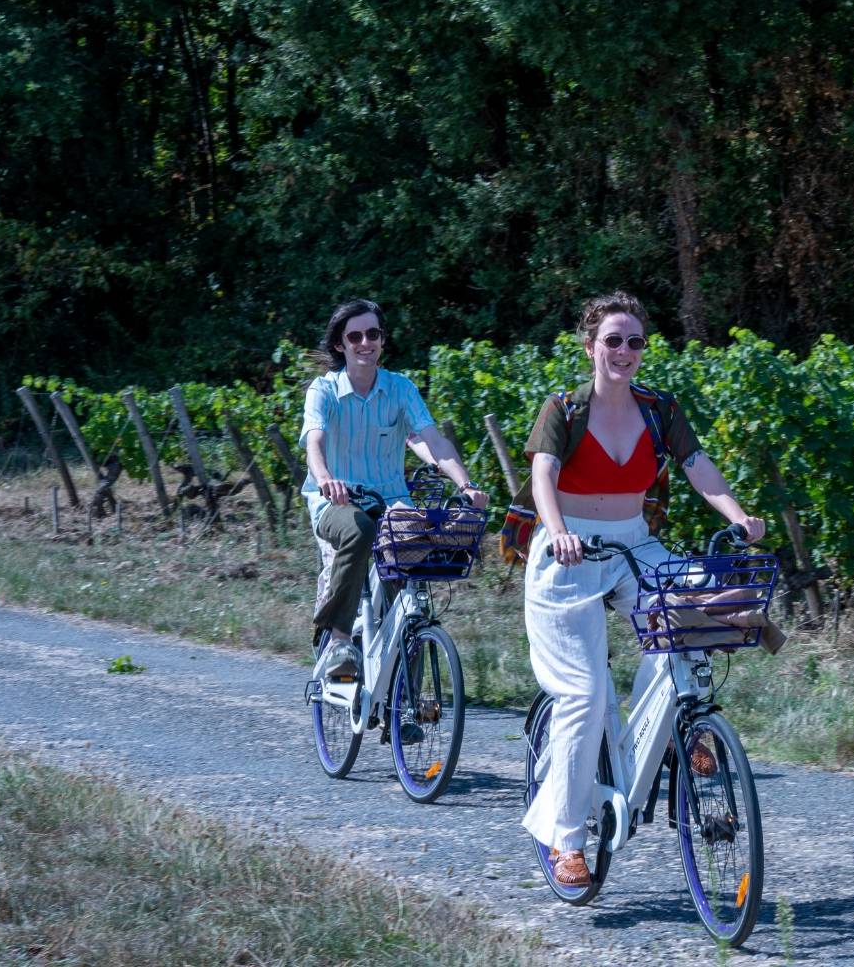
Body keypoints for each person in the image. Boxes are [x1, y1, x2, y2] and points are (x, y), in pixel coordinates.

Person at [522, 291, 766, 890]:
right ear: (590, 346)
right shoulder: (563, 407)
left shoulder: (659, 409)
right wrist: (557, 534)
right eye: (612, 340)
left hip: (633, 542)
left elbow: (698, 465)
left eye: (634, 341)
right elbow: (542, 475)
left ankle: (680, 731)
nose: (624, 351)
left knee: (701, 605)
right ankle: (569, 840)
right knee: (582, 695)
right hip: (569, 549)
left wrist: (738, 517)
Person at [300, 299, 488, 681]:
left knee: (413, 574)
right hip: (337, 501)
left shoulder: (400, 389)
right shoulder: (324, 390)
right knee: (359, 530)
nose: (365, 342)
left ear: (382, 340)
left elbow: (431, 440)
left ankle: (406, 702)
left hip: (392, 503)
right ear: (340, 344)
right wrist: (325, 479)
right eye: (355, 336)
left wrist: (466, 485)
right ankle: (337, 638)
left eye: (373, 334)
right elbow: (314, 442)